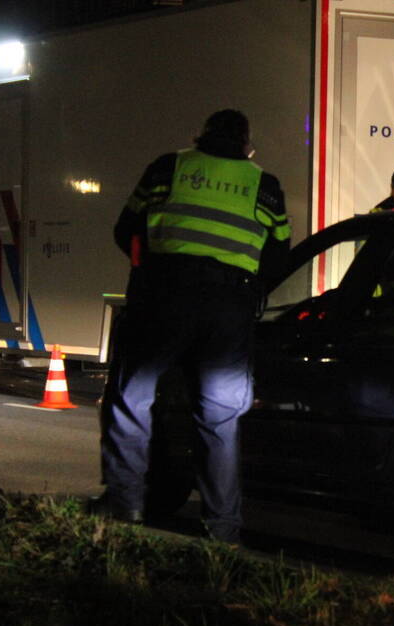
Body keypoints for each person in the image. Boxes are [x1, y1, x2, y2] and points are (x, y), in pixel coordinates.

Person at [91, 109, 290, 545]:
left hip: (164, 296)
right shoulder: (265, 186)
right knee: (220, 417)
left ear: (199, 136)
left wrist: (148, 271)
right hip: (229, 308)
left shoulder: (168, 167)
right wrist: (247, 290)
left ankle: (126, 507)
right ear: (246, 145)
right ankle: (222, 529)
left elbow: (126, 229)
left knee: (132, 397)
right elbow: (279, 254)